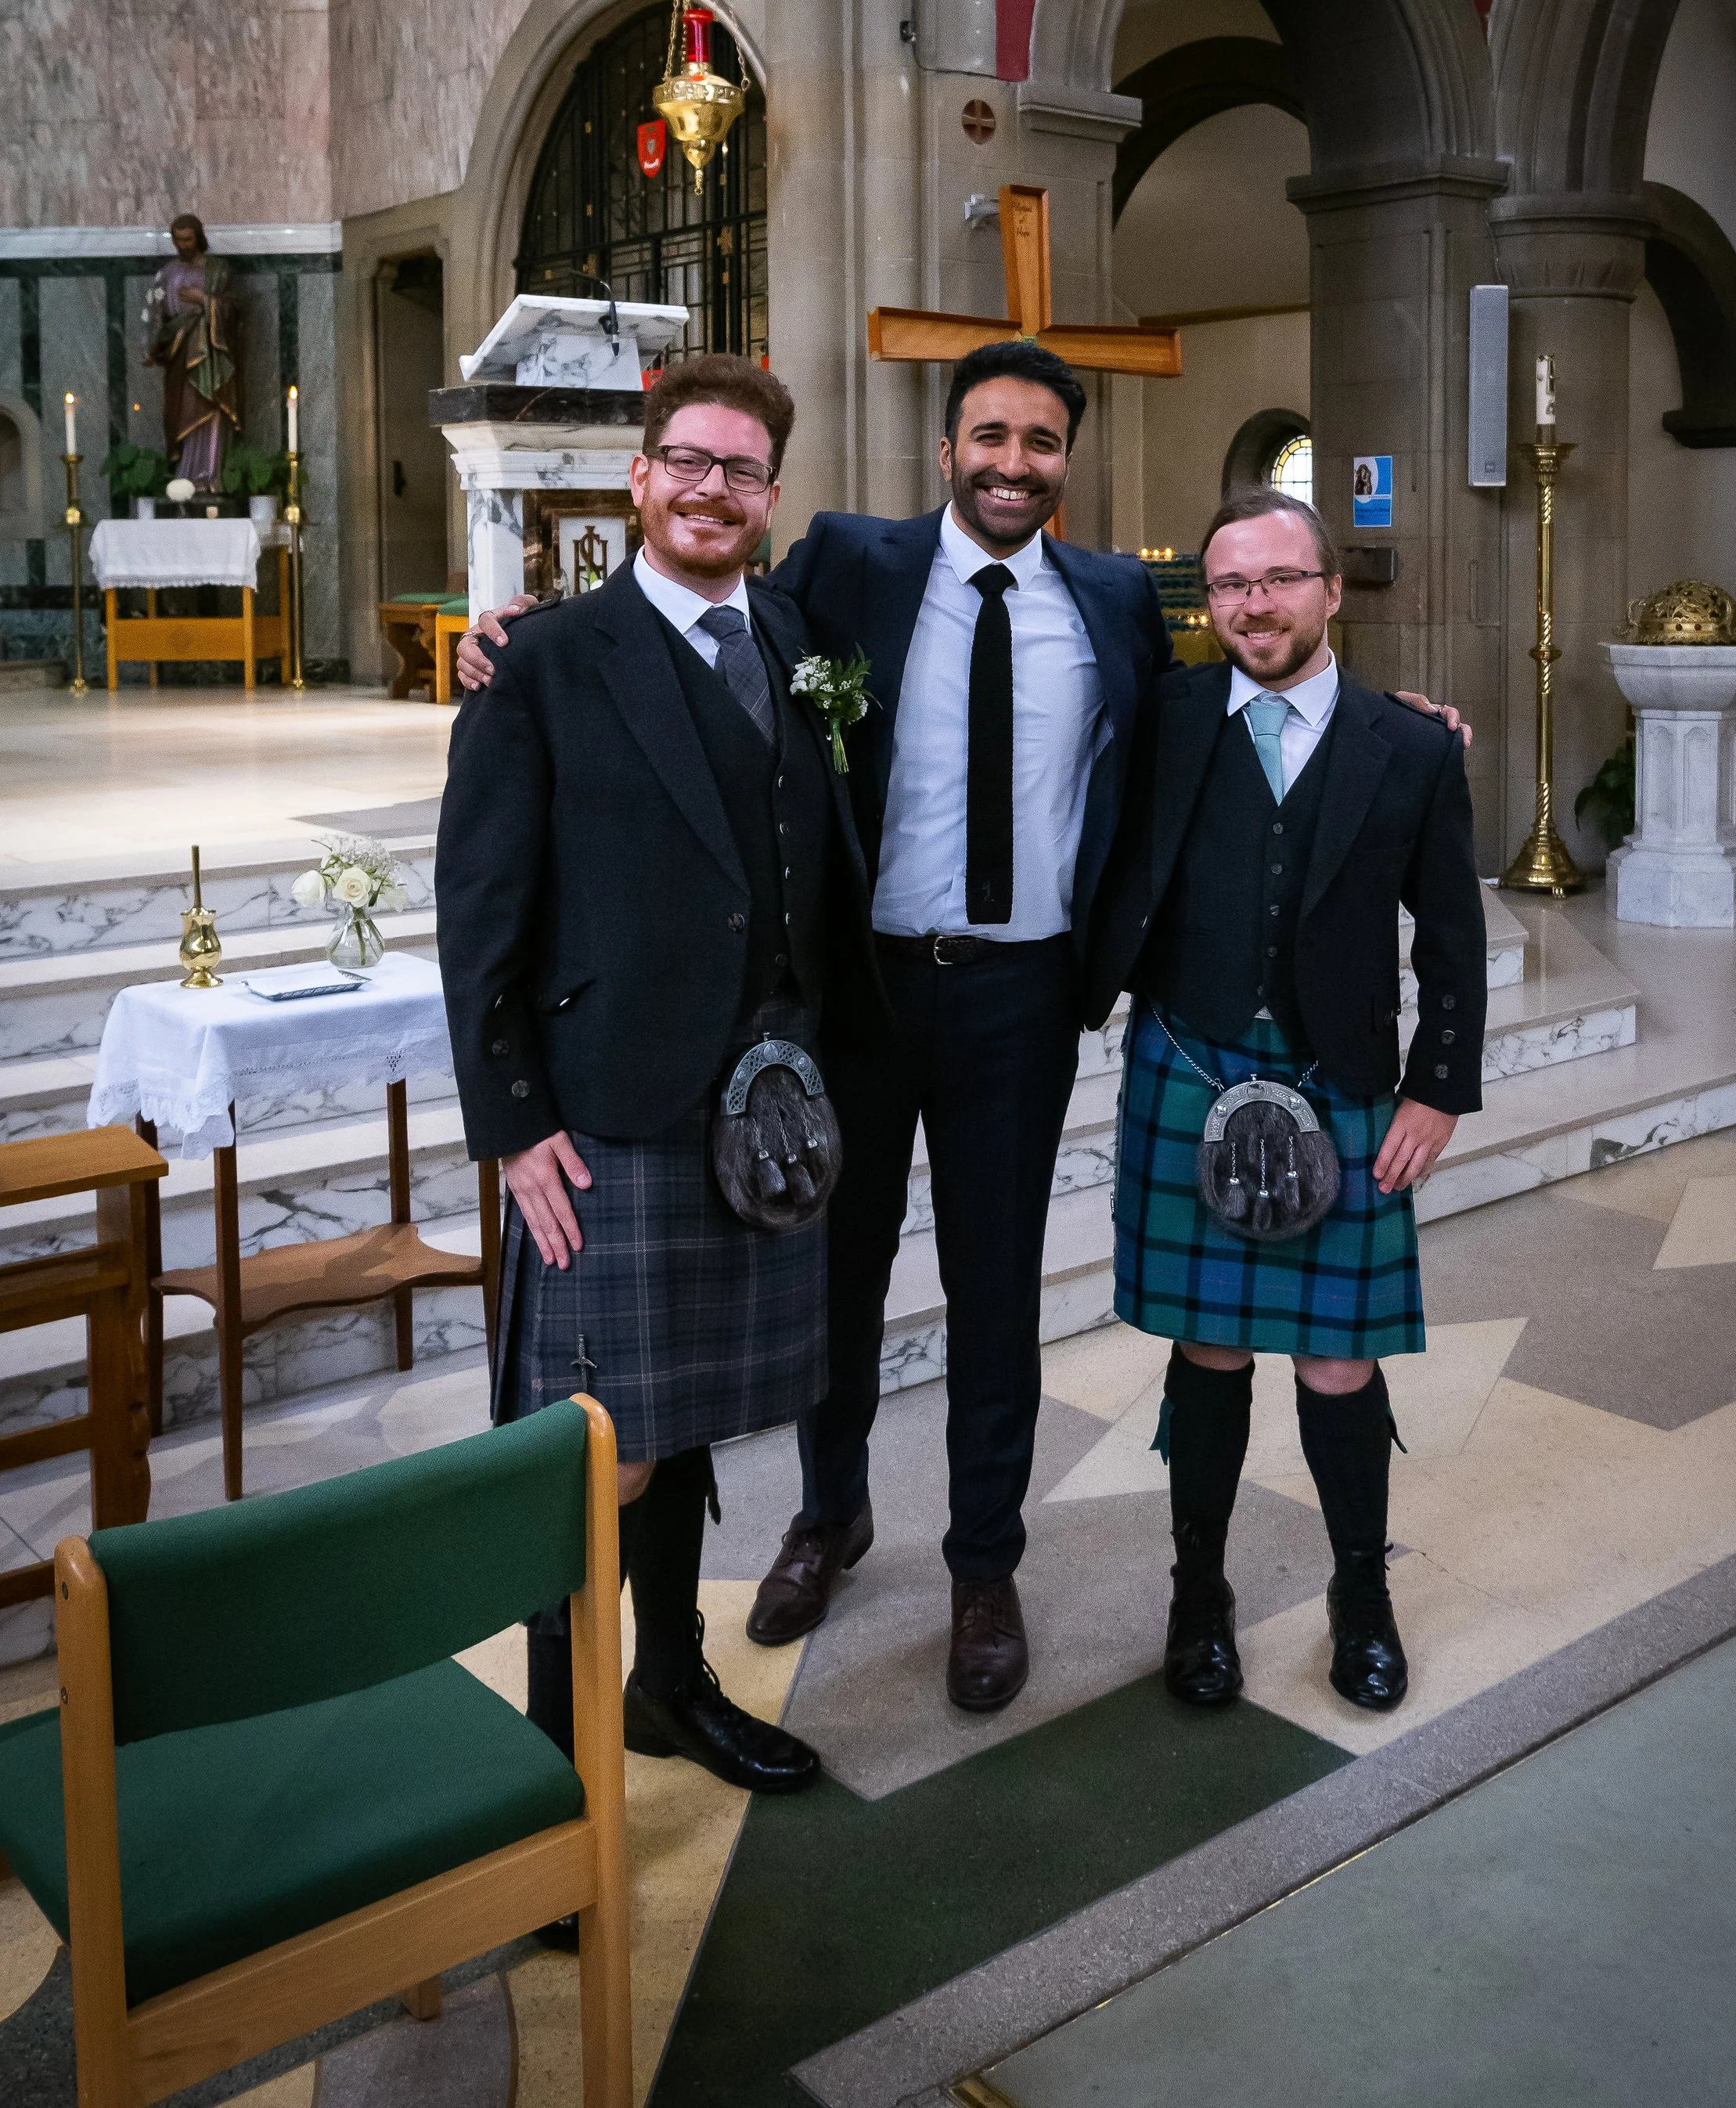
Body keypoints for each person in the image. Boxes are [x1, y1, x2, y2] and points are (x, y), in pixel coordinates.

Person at [459, 341, 1466, 1716]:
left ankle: (983, 1565)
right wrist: (512, 632)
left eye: (1040, 442)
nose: (1011, 462)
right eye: (988, 436)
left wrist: (1392, 722)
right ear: (947, 449)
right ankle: (830, 1514)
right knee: (837, 1274)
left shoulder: (1114, 601)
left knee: (996, 1291)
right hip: (860, 987)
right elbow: (686, 640)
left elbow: (1240, 695)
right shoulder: (843, 570)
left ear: (1067, 461)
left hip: (1022, 991)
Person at [436, 354, 885, 1872]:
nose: (711, 488)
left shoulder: (800, 635)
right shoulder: (543, 659)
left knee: (681, 1429)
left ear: (771, 495)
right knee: (595, 1454)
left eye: (742, 469)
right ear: (638, 477)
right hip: (610, 1111)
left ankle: (669, 1683)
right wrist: (510, 1121)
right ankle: (555, 1786)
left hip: (761, 1115)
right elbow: (480, 908)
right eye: (685, 461)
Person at [1085, 487, 1486, 1717]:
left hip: (1343, 1076)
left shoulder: (1409, 745)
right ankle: (1196, 1597)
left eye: (1277, 579)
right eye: (1229, 585)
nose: (1253, 604)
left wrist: (1438, 1087)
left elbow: (1454, 932)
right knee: (1206, 1349)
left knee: (1336, 1361)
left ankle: (1359, 1593)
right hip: (1191, 1063)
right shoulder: (1163, 715)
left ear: (1330, 591)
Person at [143, 214, 240, 499]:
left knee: (209, 406)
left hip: (210, 354)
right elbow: (157, 315)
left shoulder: (218, 270)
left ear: (199, 237)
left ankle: (209, 474)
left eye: (188, 239)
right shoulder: (167, 273)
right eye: (178, 239)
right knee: (178, 410)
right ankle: (183, 476)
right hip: (178, 350)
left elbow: (235, 311)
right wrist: (154, 346)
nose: (183, 245)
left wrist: (205, 301)